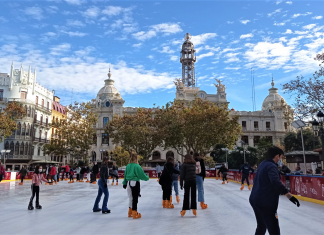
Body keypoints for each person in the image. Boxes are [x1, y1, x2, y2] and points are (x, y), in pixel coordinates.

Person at [250, 146, 300, 235]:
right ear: (277, 156)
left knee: (262, 226)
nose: (281, 160)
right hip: (265, 202)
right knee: (274, 229)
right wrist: (289, 196)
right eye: (281, 157)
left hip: (255, 199)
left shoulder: (262, 164)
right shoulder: (271, 166)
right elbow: (276, 182)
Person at [122, 154, 149, 219]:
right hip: (135, 182)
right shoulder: (137, 166)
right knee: (135, 198)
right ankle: (134, 212)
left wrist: (124, 182)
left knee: (130, 197)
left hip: (128, 182)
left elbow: (125, 174)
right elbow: (141, 174)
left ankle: (130, 212)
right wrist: (146, 178)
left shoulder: (128, 166)